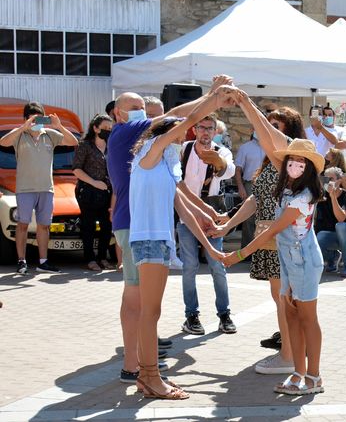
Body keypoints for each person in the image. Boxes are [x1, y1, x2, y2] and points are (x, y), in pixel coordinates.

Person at [108, 85, 228, 385]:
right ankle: (142, 371)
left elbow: (180, 197)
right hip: (139, 229)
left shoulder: (161, 156)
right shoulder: (133, 140)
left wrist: (207, 222)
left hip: (152, 233)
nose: (144, 114)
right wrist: (213, 96)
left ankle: (141, 366)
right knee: (144, 306)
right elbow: (179, 118)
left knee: (145, 305)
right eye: (136, 108)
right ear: (118, 113)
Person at [224, 139, 326, 396]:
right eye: (292, 160)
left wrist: (240, 253)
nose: (295, 165)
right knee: (290, 314)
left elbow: (275, 228)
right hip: (288, 260)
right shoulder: (289, 191)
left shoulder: (303, 196)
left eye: (302, 162)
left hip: (303, 261)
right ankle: (298, 372)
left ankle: (314, 376)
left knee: (307, 318)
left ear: (310, 168)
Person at [210, 99, 303, 375]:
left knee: (285, 298)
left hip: (282, 237)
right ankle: (290, 349)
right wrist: (229, 224)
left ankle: (288, 356)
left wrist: (244, 101)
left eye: (273, 127)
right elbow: (256, 197)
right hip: (268, 235)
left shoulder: (289, 159)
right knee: (281, 297)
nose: (264, 132)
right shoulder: (270, 160)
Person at [0, 101, 79, 274]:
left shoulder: (50, 134)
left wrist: (59, 126)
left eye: (39, 119)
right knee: (22, 225)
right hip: (25, 189)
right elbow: (3, 142)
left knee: (44, 225)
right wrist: (23, 127)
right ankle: (22, 261)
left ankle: (43, 262)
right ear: (26, 119)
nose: (36, 123)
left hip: (46, 188)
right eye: (32, 119)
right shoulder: (19, 135)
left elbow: (73, 141)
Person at [178, 114, 236, 336]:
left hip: (211, 216)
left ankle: (224, 314)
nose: (205, 132)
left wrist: (218, 162)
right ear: (195, 129)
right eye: (201, 127)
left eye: (209, 128)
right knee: (189, 266)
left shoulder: (222, 151)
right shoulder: (184, 149)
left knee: (216, 265)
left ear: (215, 131)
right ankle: (191, 315)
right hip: (186, 215)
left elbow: (228, 170)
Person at [73, 114, 115, 271]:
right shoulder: (85, 145)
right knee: (88, 226)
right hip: (88, 191)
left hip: (107, 192)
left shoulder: (111, 146)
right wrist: (94, 183)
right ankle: (90, 259)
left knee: (106, 226)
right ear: (95, 128)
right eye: (104, 128)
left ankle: (102, 257)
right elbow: (76, 169)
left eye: (110, 129)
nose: (108, 131)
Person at [316, 166, 346, 278]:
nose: (328, 182)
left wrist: (333, 197)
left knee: (341, 226)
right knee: (319, 237)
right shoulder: (322, 198)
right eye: (326, 179)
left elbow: (341, 218)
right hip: (335, 235)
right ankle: (333, 257)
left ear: (339, 181)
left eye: (331, 179)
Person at [235, 130, 266, 247]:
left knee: (265, 216)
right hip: (249, 184)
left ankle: (262, 249)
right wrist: (240, 187)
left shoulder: (270, 146)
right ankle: (246, 251)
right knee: (248, 217)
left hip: (267, 184)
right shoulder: (245, 148)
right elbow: (238, 169)